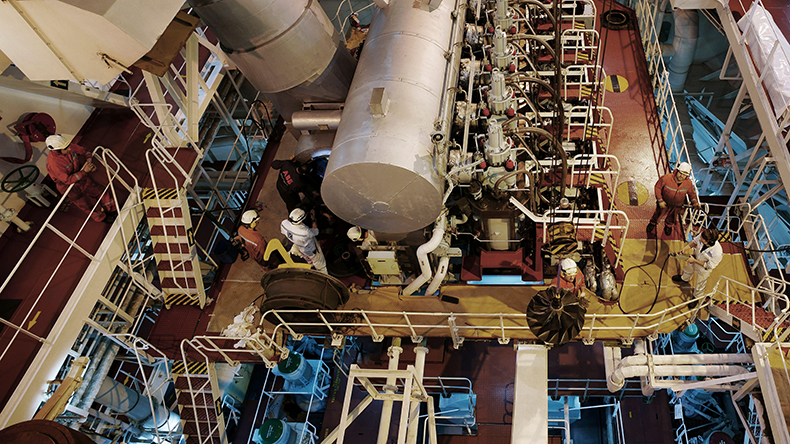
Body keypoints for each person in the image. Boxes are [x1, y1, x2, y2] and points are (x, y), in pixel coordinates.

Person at [45, 134, 117, 223]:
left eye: (68, 146)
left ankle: (112, 209)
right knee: (86, 205)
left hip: (82, 178)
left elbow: (85, 151)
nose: (69, 149)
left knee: (100, 191)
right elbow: (67, 180)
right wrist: (84, 171)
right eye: (66, 149)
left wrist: (89, 162)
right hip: (70, 188)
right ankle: (102, 218)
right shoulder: (54, 163)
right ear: (57, 150)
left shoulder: (67, 146)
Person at [647, 162, 700, 236]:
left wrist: (695, 203)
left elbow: (692, 194)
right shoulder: (666, 178)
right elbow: (658, 187)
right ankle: (653, 223)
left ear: (687, 176)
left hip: (677, 206)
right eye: (680, 173)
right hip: (664, 203)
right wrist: (660, 200)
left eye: (684, 174)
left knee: (672, 217)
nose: (681, 176)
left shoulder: (688, 183)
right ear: (676, 171)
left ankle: (668, 226)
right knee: (658, 214)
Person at [672, 228, 723, 299]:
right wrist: (685, 248)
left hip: (703, 268)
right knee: (688, 269)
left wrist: (694, 261)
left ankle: (696, 297)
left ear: (709, 242)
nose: (700, 239)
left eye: (702, 240)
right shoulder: (703, 235)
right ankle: (684, 279)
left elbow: (710, 265)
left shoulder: (717, 252)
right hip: (694, 258)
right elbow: (695, 242)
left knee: (700, 283)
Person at [280, 208, 327, 274]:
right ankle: (324, 274)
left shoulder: (284, 223)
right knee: (320, 264)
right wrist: (313, 220)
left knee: (308, 259)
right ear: (300, 221)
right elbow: (316, 231)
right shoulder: (304, 233)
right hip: (311, 250)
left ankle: (312, 266)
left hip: (301, 249)